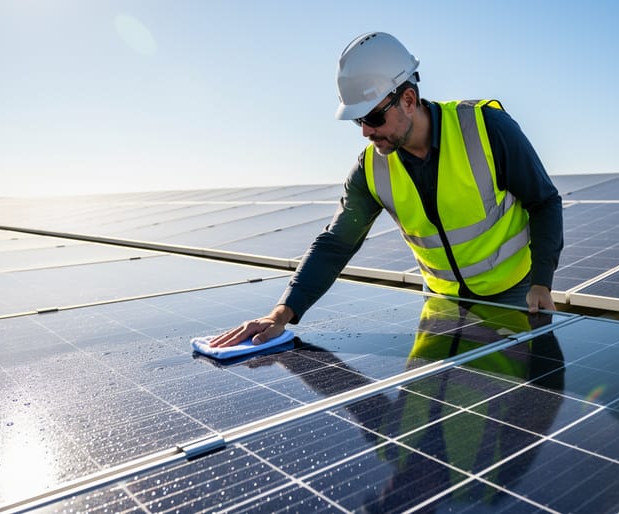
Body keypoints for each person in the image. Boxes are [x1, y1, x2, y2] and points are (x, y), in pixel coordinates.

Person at [210, 31, 562, 348]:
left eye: (373, 118)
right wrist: (280, 314)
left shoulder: (486, 129)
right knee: (443, 397)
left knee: (513, 399)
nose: (365, 131)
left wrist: (542, 282)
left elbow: (544, 201)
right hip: (441, 301)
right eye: (357, 120)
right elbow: (336, 244)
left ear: (408, 99)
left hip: (515, 293)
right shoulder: (371, 169)